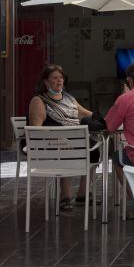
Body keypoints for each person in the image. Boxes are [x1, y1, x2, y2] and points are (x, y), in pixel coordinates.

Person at [27, 64, 96, 212]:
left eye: (61, 78)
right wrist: (58, 139)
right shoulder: (39, 101)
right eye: (55, 78)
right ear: (46, 82)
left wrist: (105, 117)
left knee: (94, 146)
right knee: (67, 148)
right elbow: (35, 131)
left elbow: (84, 113)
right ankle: (65, 196)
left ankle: (83, 193)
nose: (59, 81)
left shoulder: (69, 98)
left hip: (74, 141)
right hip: (51, 146)